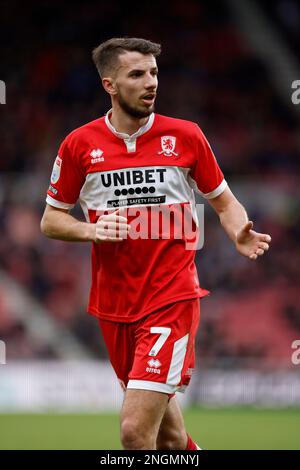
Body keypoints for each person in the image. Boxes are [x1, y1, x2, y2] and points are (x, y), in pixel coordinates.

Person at [40, 37, 271, 450]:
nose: (151, 82)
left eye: (154, 73)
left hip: (171, 298)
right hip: (113, 307)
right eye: (137, 74)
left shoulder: (185, 136)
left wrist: (238, 230)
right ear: (109, 84)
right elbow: (51, 220)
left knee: (133, 431)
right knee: (169, 438)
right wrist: (90, 230)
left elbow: (224, 202)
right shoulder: (79, 145)